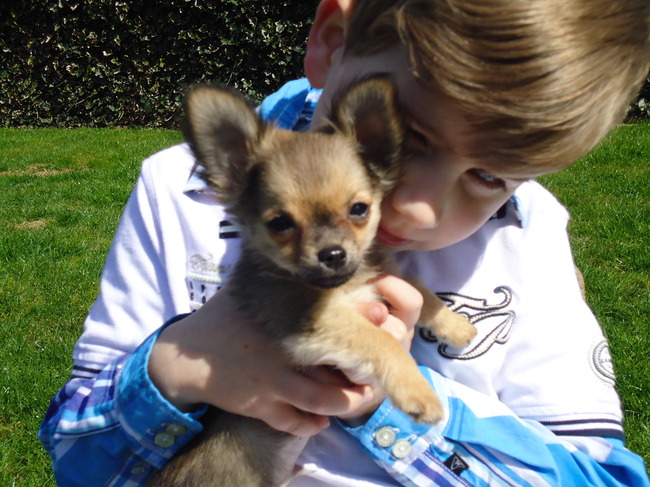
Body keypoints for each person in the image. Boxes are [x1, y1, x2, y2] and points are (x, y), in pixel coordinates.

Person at [39, 0, 650, 485]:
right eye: (403, 137)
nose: (415, 205)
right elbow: (75, 453)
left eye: (489, 176)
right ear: (331, 42)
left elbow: (601, 475)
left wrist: (383, 403)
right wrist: (177, 367)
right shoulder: (176, 191)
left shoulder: (530, 234)